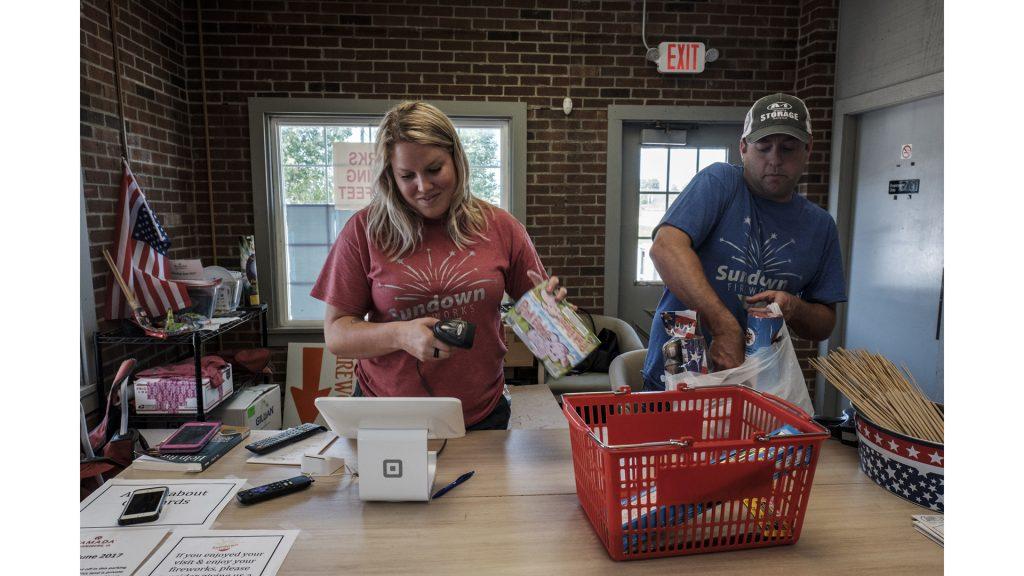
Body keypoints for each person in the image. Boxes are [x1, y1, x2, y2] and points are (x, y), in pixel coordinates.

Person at [311, 101, 565, 430]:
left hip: (480, 416)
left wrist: (555, 319)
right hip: (384, 416)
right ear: (391, 175)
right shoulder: (363, 232)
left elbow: (549, 335)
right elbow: (336, 334)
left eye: (434, 169)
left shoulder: (501, 227)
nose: (424, 186)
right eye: (407, 176)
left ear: (456, 159)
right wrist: (399, 335)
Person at [641, 93, 847, 391]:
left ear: (808, 150)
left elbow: (824, 324)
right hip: (680, 372)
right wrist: (723, 327)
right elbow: (665, 247)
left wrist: (794, 307)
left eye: (788, 148)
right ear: (743, 148)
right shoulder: (720, 183)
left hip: (758, 383)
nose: (775, 160)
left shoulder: (820, 226)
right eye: (763, 147)